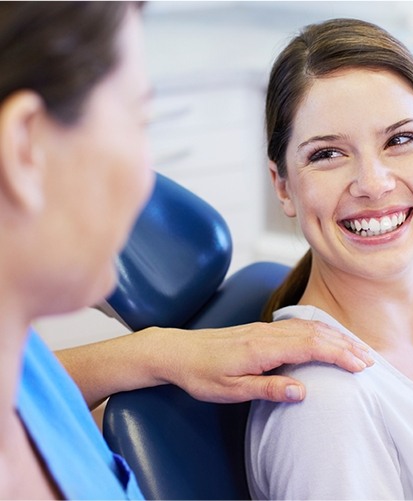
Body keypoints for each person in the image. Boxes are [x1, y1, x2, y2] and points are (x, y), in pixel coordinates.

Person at [0, 3, 374, 498]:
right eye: (138, 121)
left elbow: (37, 386)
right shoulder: (324, 411)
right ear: (25, 148)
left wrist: (157, 351)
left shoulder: (23, 369)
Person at [246, 18, 413, 500]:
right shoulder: (326, 407)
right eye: (328, 153)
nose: (373, 183)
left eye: (400, 140)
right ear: (283, 185)